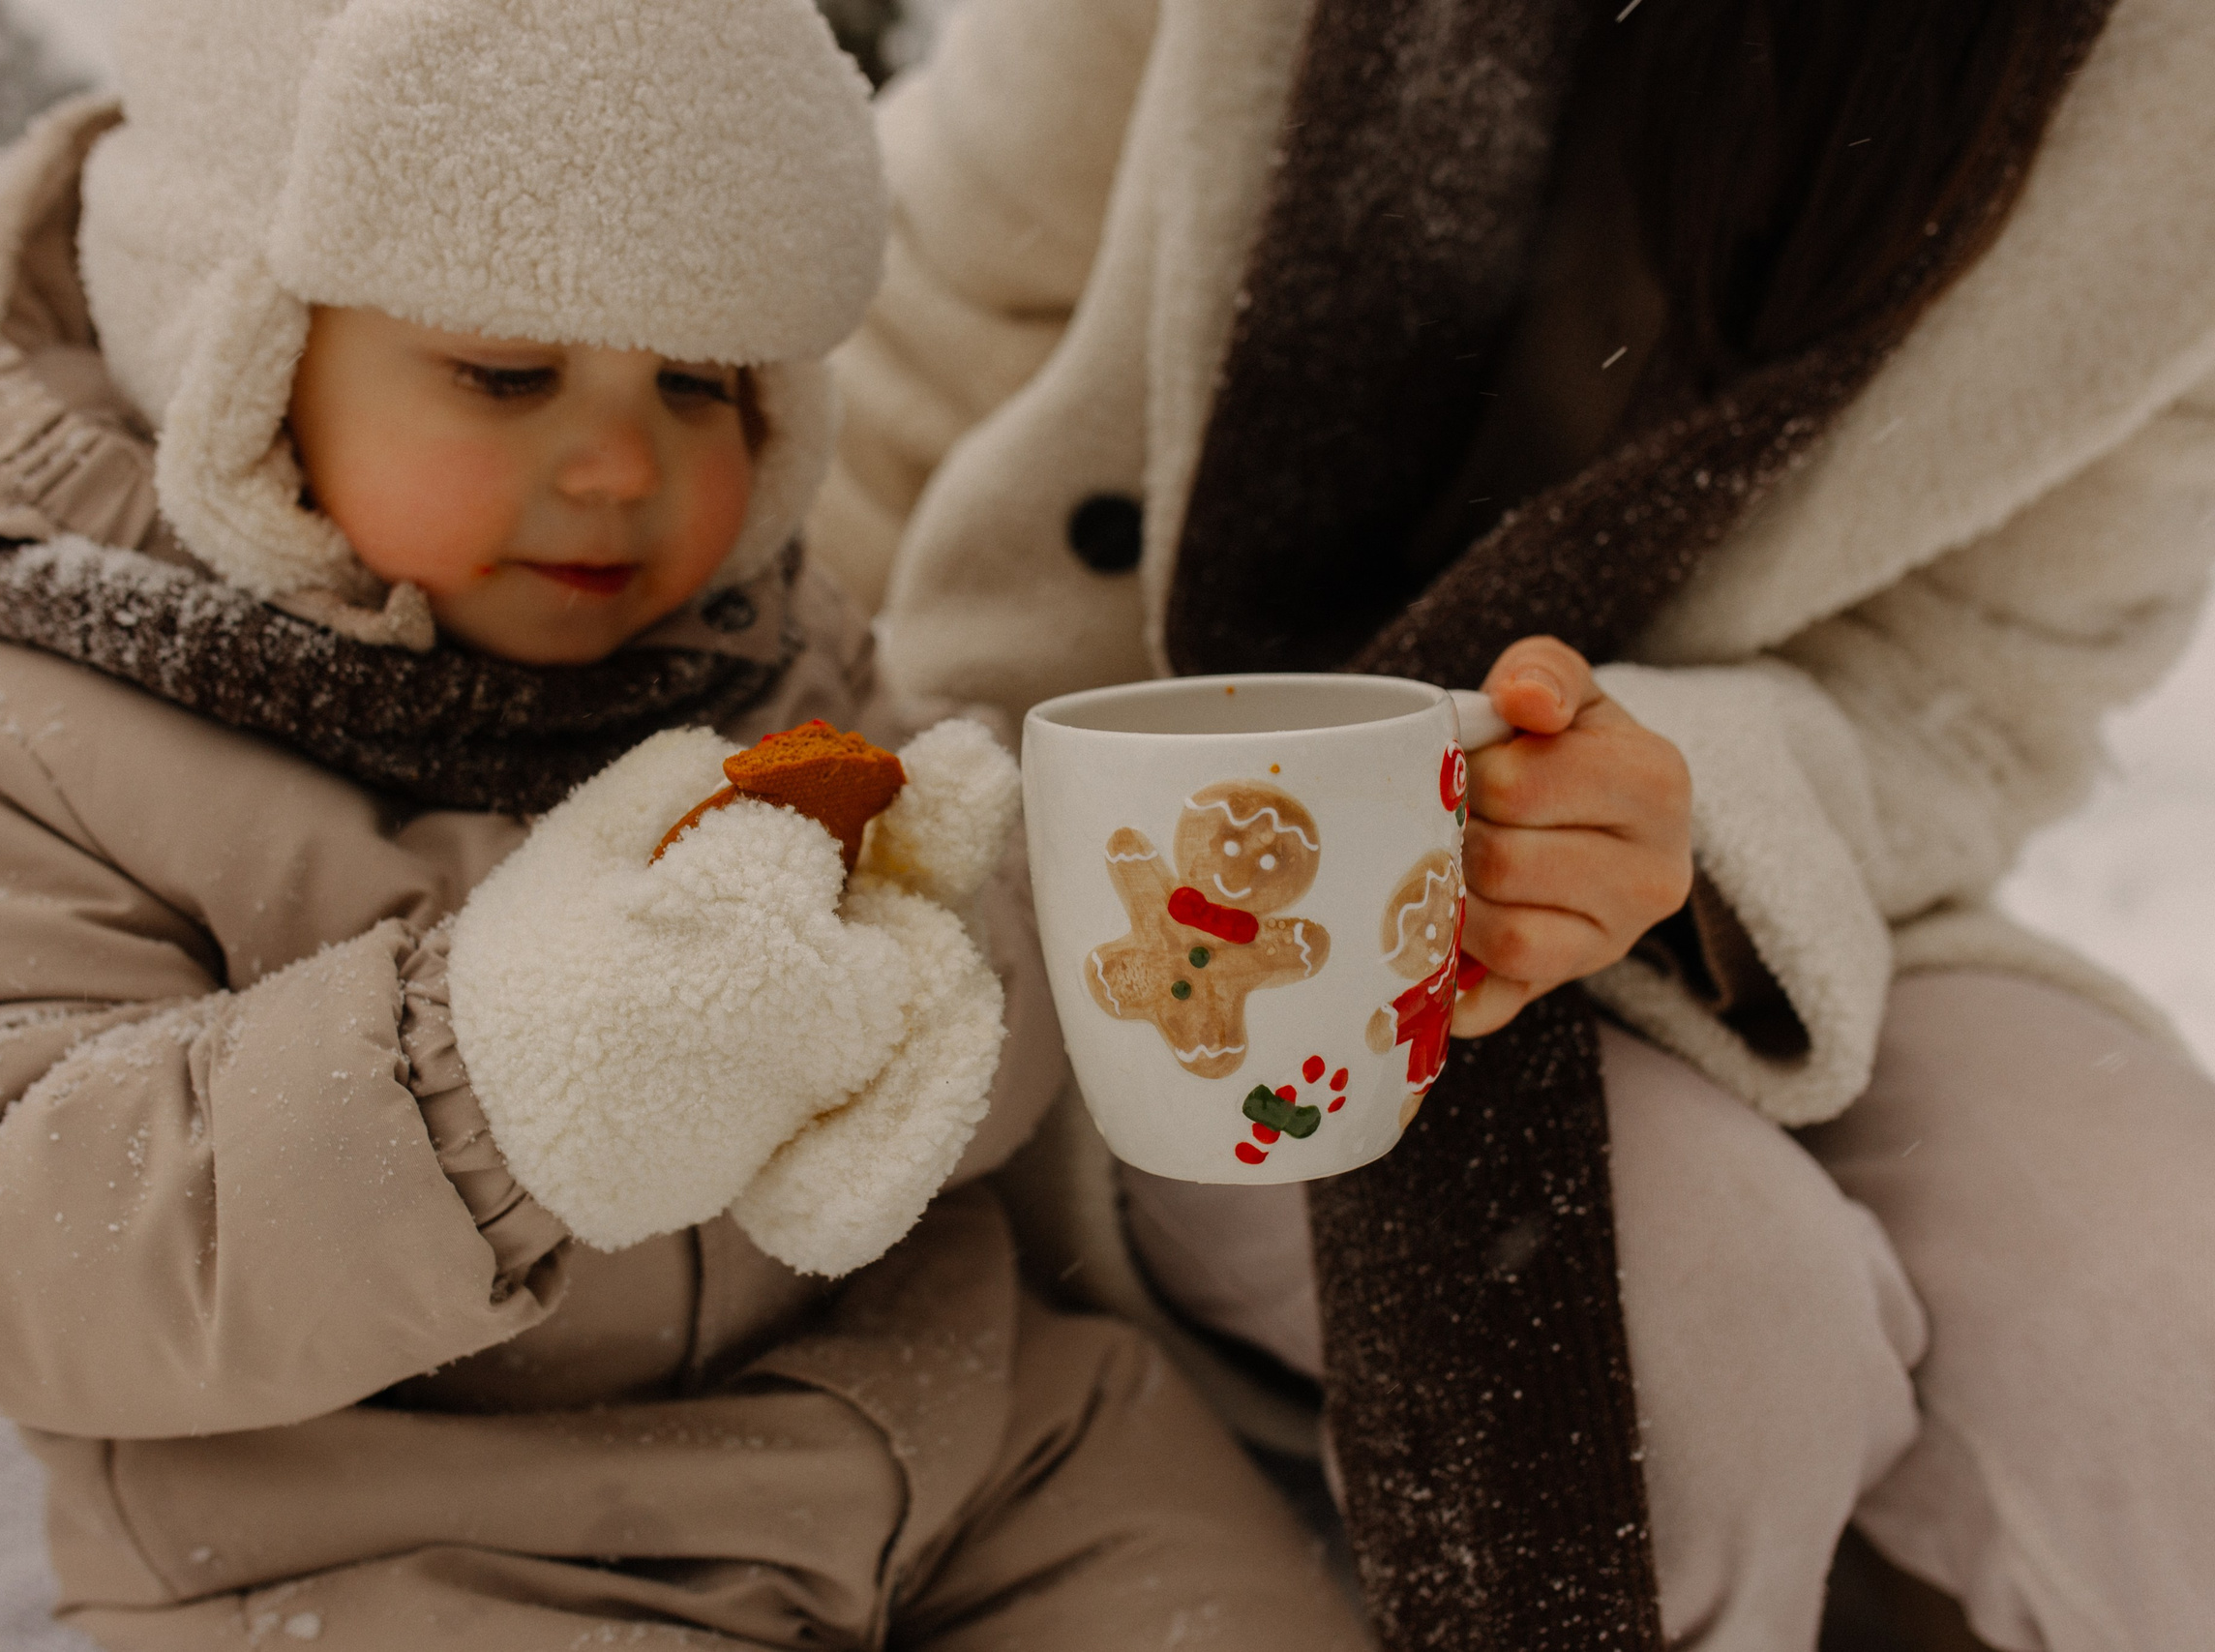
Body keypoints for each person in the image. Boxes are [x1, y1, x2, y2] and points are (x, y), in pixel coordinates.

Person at [0, 2, 1376, 1646]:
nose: (617, 462)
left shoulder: (780, 661)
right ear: (234, 361)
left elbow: (982, 1088)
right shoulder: (16, 738)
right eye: (506, 373)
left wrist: (953, 966)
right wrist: (483, 1093)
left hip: (969, 1438)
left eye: (700, 382)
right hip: (392, 1535)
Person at [817, 0, 2215, 1647]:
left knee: (2159, 1320)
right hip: (1182, 894)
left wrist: (1688, 802)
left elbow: (1972, 692)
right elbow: (898, 355)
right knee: (1677, 1337)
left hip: (1786, 879)